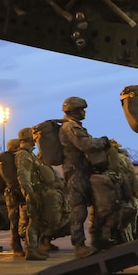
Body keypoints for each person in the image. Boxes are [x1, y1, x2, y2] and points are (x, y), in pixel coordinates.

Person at [58, 96, 111, 256]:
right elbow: (85, 145)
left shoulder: (74, 126)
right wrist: (103, 142)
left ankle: (98, 238)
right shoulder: (70, 127)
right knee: (78, 208)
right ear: (74, 111)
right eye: (81, 109)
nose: (84, 112)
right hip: (76, 171)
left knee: (96, 203)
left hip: (83, 169)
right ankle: (79, 245)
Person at [14, 129, 47, 261]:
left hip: (35, 191)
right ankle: (31, 250)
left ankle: (34, 247)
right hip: (30, 192)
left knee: (36, 220)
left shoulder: (29, 154)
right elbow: (23, 175)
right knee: (32, 221)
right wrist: (29, 193)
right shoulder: (23, 155)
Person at [0, 138, 25, 257]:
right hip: (14, 192)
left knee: (16, 220)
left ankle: (18, 245)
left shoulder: (7, 160)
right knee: (15, 219)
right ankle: (16, 246)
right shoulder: (11, 160)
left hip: (10, 192)